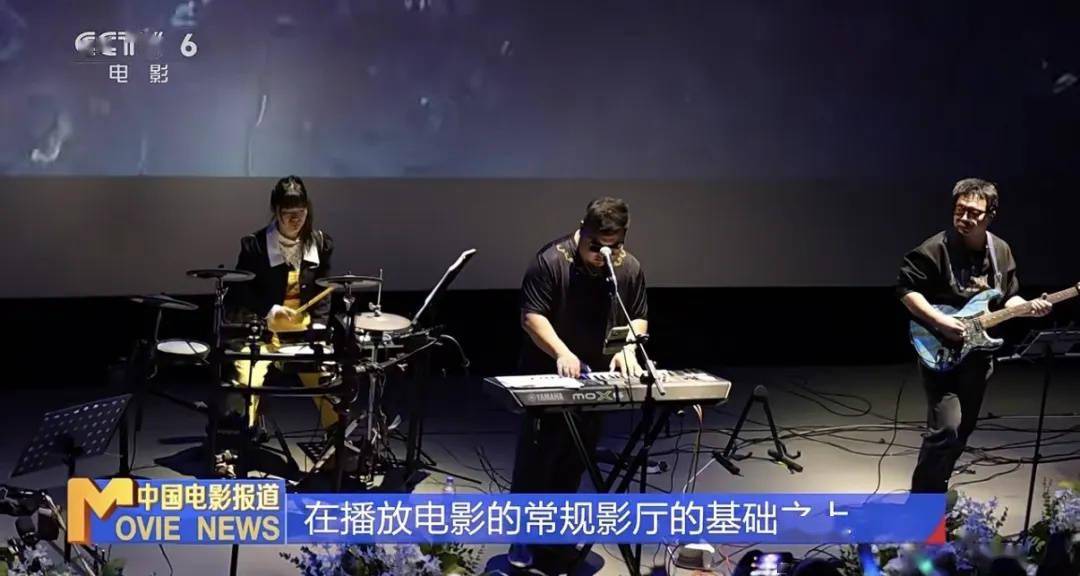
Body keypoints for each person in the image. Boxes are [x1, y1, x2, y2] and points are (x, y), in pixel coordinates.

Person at [509, 196, 649, 573]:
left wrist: (628, 348)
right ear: (582, 229)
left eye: (613, 246)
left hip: (593, 380)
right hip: (547, 374)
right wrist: (562, 352)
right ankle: (522, 541)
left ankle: (556, 541)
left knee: (574, 462)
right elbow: (531, 316)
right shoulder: (550, 261)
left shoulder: (627, 267)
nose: (603, 255)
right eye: (595, 246)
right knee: (536, 463)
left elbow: (638, 316)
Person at [897, 178, 1051, 493]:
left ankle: (936, 493)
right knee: (946, 429)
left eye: (974, 213)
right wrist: (941, 321)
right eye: (960, 210)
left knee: (962, 431)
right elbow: (906, 290)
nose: (965, 218)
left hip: (978, 355)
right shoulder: (934, 249)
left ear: (990, 215)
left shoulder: (1000, 251)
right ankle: (920, 505)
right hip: (940, 349)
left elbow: (1007, 297)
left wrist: (1027, 308)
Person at [225, 175, 337, 442]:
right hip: (263, 332)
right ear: (276, 211)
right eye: (288, 214)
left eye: (301, 213)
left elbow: (323, 291)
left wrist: (318, 327)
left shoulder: (320, 243)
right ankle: (239, 440)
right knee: (246, 378)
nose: (296, 220)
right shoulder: (254, 245)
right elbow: (240, 289)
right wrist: (268, 310)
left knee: (326, 379)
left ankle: (338, 441)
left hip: (303, 334)